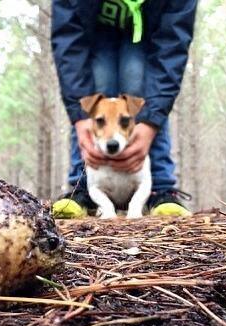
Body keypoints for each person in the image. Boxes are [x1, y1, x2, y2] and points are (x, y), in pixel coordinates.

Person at [51, 0, 196, 218]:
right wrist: (81, 118)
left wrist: (149, 123)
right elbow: (68, 37)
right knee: (99, 73)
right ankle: (81, 187)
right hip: (92, 27)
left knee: (136, 71)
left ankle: (160, 186)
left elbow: (172, 45)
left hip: (150, 29)